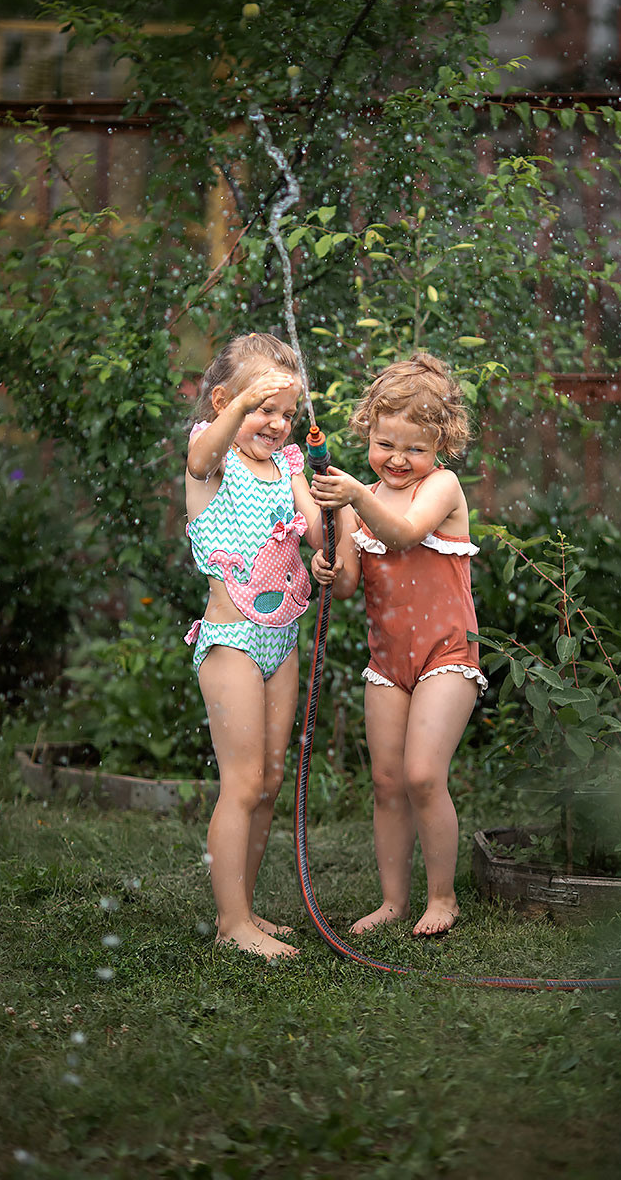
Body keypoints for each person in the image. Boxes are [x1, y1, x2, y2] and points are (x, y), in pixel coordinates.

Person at [310, 352, 487, 937]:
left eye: (414, 448)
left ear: (440, 445)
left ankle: (443, 897)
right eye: (386, 444)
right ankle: (392, 901)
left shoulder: (442, 487)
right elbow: (352, 577)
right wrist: (327, 560)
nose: (398, 459)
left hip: (447, 655)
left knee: (421, 776)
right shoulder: (362, 501)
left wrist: (357, 498)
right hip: (388, 661)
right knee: (387, 783)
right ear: (368, 431)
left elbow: (407, 535)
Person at [184, 332, 341, 959]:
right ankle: (230, 925)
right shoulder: (210, 456)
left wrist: (326, 557)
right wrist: (239, 404)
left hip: (282, 636)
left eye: (284, 412)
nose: (276, 424)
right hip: (232, 642)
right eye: (261, 408)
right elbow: (203, 456)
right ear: (225, 401)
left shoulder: (288, 467)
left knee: (272, 779)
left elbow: (309, 534)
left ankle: (243, 909)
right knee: (243, 781)